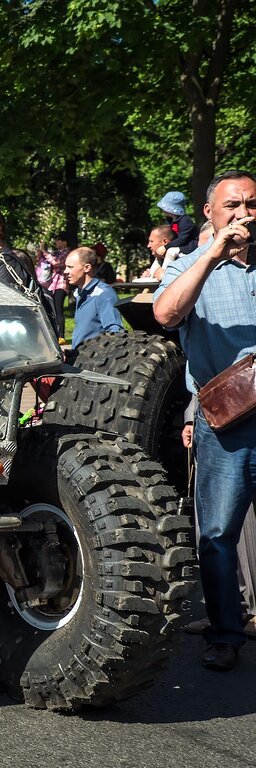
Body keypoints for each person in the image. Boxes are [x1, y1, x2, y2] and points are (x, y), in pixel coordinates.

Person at [153, 168, 256, 671]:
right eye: (232, 205)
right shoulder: (192, 263)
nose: (244, 214)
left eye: (252, 204)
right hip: (228, 423)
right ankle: (225, 633)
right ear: (210, 215)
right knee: (217, 534)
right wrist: (213, 254)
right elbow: (166, 315)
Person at [181, 400, 256, 639]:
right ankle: (226, 617)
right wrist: (192, 415)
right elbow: (197, 367)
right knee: (215, 526)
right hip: (216, 406)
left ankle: (250, 609)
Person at [66, 246, 123, 349]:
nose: (65, 271)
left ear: (87, 268)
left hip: (93, 361)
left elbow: (116, 334)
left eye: (70, 267)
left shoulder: (103, 294)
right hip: (79, 359)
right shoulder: (80, 293)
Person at [35, 232, 71, 338]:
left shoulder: (67, 253)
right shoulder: (57, 252)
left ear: (65, 242)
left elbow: (56, 262)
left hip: (62, 284)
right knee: (52, 309)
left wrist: (44, 251)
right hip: (52, 284)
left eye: (58, 240)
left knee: (58, 308)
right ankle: (54, 333)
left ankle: (61, 336)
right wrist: (41, 252)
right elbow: (45, 261)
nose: (56, 242)